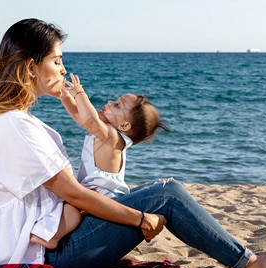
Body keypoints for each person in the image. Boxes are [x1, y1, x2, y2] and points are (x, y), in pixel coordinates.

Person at [0, 18, 266, 268]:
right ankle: (256, 265)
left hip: (17, 244)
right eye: (57, 60)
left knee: (154, 193)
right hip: (39, 255)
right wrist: (139, 218)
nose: (63, 68)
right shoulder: (16, 126)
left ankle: (250, 257)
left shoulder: (5, 118)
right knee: (168, 194)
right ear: (32, 66)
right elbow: (76, 194)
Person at [30, 73, 170, 249]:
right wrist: (64, 96)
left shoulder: (112, 136)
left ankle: (52, 237)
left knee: (72, 210)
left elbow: (90, 119)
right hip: (97, 192)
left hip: (105, 196)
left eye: (117, 105)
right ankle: (49, 233)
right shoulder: (106, 133)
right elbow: (79, 116)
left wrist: (79, 93)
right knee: (68, 207)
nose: (110, 102)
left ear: (125, 126)